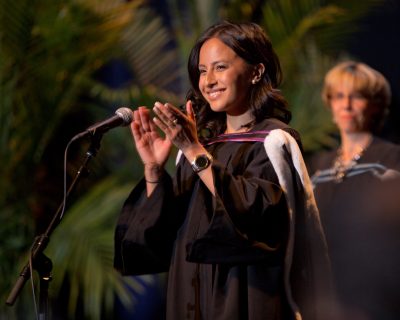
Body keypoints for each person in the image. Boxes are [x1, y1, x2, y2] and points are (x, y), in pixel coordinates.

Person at [114, 21, 333, 320]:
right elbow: (160, 238)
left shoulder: (272, 141)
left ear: (256, 72)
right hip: (188, 299)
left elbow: (256, 219)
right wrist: (153, 169)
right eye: (203, 71)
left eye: (220, 67)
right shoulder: (201, 145)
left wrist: (193, 151)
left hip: (245, 297)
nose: (208, 81)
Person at [309, 61, 400, 320]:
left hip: (372, 300)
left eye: (357, 96)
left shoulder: (392, 159)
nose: (346, 105)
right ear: (330, 104)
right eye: (339, 96)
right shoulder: (316, 166)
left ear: (375, 104)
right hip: (321, 297)